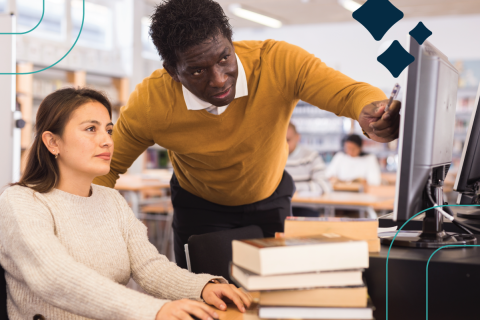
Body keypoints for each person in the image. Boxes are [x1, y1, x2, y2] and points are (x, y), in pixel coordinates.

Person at [93, 0, 401, 269]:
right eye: (197, 71)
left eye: (224, 58)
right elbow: (105, 167)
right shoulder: (150, 102)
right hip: (199, 207)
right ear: (172, 71)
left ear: (231, 41)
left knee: (276, 295)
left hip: (270, 199)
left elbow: (349, 93)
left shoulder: (277, 62)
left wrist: (371, 111)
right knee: (206, 298)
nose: (218, 79)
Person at [0, 88, 250, 320]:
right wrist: (154, 310)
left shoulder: (111, 200)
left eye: (109, 130)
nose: (107, 141)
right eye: (91, 129)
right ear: (53, 142)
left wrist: (202, 287)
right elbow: (53, 276)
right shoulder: (22, 201)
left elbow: (148, 267)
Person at [285, 122, 330, 217]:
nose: (284, 144)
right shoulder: (273, 158)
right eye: (280, 140)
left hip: (306, 208)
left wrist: (291, 188)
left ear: (297, 137)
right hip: (280, 208)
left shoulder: (311, 156)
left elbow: (324, 185)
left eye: (288, 140)